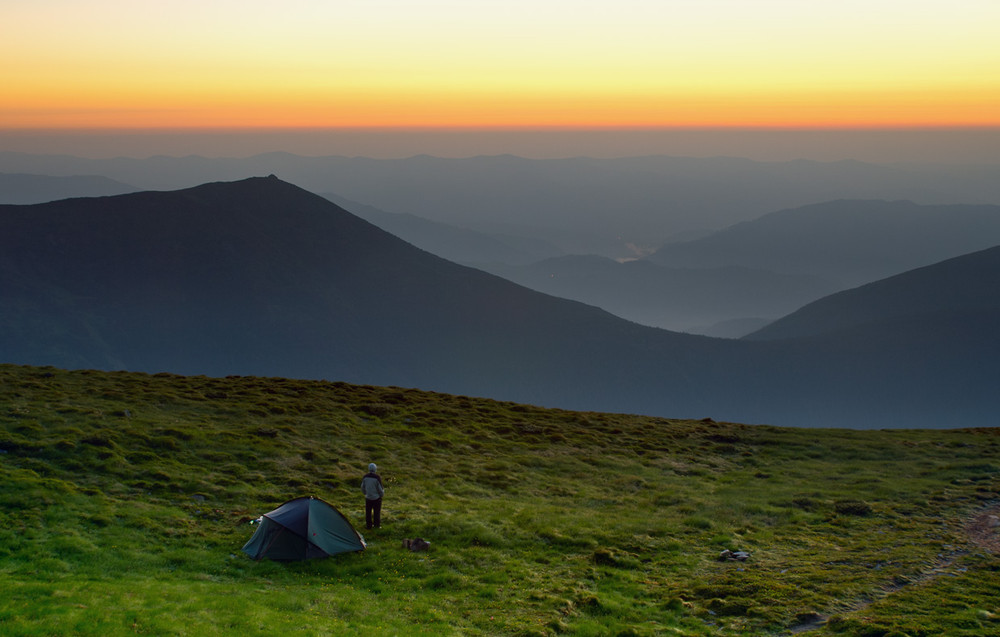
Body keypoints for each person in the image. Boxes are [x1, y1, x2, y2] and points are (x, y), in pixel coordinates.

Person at [360, 462, 384, 529]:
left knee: (368, 512)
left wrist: (365, 493)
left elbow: (362, 487)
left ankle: (369, 525)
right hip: (376, 498)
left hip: (368, 497)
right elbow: (380, 488)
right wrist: (381, 495)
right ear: (375, 469)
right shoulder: (377, 477)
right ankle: (377, 525)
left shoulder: (365, 477)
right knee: (376, 512)